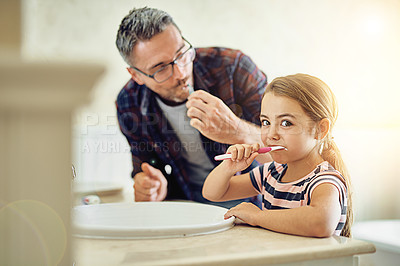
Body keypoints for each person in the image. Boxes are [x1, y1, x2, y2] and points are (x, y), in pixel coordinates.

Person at [115, 7, 268, 208]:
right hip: (189, 207)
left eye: (181, 54)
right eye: (161, 68)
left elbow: (288, 149)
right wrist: (151, 185)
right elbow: (148, 165)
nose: (181, 72)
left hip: (259, 202)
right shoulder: (129, 102)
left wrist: (237, 130)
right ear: (136, 75)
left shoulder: (233, 68)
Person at [202, 73, 353, 237]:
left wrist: (258, 216)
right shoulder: (270, 173)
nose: (271, 135)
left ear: (320, 129)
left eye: (286, 123)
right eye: (266, 122)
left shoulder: (324, 179)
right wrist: (228, 168)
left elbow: (321, 223)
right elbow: (213, 193)